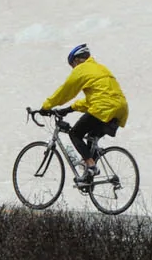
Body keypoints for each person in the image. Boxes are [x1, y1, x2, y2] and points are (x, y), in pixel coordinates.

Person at [35, 43, 129, 185]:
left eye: (72, 65)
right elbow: (95, 98)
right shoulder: (100, 68)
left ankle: (91, 166)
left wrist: (46, 106)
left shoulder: (82, 69)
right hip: (120, 109)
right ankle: (89, 174)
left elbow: (65, 91)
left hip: (103, 107)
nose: (73, 68)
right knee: (91, 138)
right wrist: (69, 109)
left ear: (77, 60)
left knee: (75, 133)